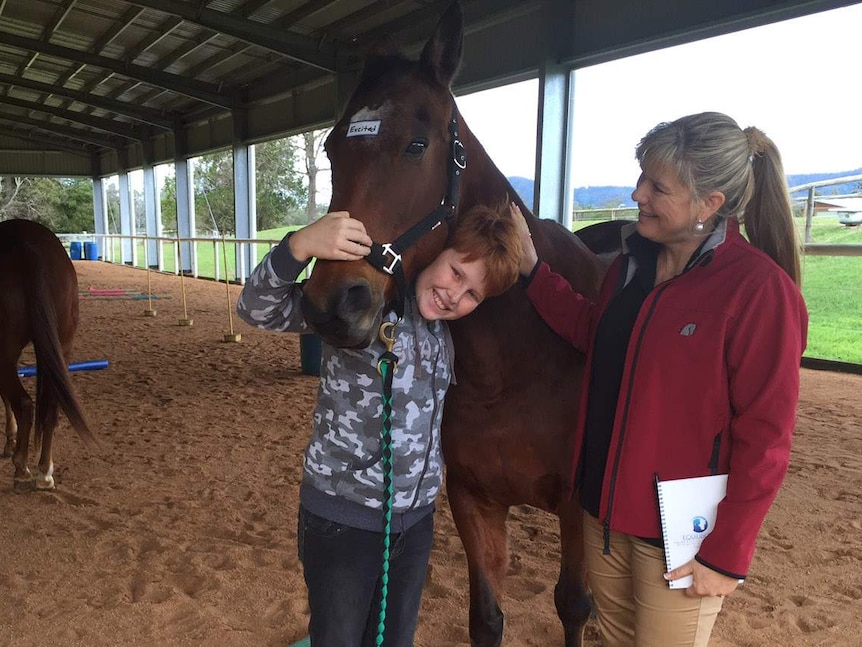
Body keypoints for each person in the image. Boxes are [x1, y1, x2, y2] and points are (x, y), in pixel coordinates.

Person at [513, 112, 808, 646]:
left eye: (657, 186)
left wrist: (728, 554)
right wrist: (534, 271)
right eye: (641, 177)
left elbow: (766, 436)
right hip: (602, 516)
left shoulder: (759, 291)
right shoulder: (630, 267)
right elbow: (592, 332)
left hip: (683, 540)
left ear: (709, 204)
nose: (637, 193)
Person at [236, 203, 522, 647]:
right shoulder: (365, 303)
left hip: (415, 523)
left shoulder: (443, 333)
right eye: (456, 273)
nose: (454, 295)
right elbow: (257, 309)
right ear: (435, 253)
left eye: (472, 295)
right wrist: (297, 247)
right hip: (342, 519)